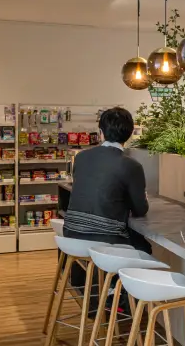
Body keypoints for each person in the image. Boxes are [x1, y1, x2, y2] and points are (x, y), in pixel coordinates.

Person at [63, 106, 151, 253]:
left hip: (71, 236)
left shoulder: (81, 157)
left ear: (101, 133)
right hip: (107, 240)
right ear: (130, 134)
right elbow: (140, 209)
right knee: (144, 248)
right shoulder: (132, 166)